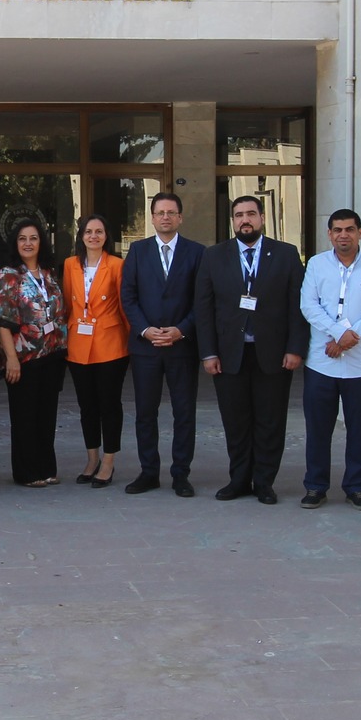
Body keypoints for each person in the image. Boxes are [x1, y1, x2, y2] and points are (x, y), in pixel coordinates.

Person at [194, 194, 307, 504]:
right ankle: (239, 480)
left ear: (262, 218)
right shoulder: (214, 256)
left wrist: (295, 348)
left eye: (251, 214)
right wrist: (208, 352)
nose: (245, 220)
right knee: (236, 421)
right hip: (229, 354)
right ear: (233, 221)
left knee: (271, 420)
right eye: (239, 215)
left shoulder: (286, 254)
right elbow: (203, 308)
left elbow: (298, 306)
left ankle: (265, 482)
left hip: (274, 353)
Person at [297, 209, 361, 510]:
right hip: (321, 363)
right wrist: (340, 334)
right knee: (318, 429)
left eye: (349, 229)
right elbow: (309, 306)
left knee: (359, 430)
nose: (343, 235)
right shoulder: (316, 264)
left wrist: (351, 336)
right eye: (337, 230)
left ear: (360, 233)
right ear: (329, 234)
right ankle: (315, 486)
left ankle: (356, 487)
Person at [121, 191, 203, 496]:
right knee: (146, 413)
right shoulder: (137, 251)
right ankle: (149, 472)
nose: (165, 217)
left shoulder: (197, 252)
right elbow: (128, 296)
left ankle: (181, 474)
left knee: (184, 413)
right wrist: (145, 330)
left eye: (171, 212)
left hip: (182, 347)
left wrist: (182, 330)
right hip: (146, 348)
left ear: (180, 217)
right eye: (160, 213)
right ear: (152, 218)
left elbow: (201, 299)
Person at [0, 216, 69, 487]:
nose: (28, 243)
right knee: (25, 416)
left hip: (52, 355)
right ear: (15, 243)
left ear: (41, 242)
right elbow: (2, 320)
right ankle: (26, 472)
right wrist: (11, 359)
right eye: (22, 239)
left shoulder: (49, 273)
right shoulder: (9, 274)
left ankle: (46, 468)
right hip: (23, 357)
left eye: (33, 238)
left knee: (47, 415)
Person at [63, 214, 129, 487]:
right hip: (79, 345)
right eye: (88, 231)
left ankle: (109, 461)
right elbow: (68, 304)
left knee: (109, 405)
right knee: (87, 406)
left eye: (99, 231)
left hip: (110, 344)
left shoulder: (117, 265)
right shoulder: (70, 264)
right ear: (81, 236)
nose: (93, 236)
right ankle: (92, 459)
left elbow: (124, 304)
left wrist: (133, 339)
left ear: (106, 236)